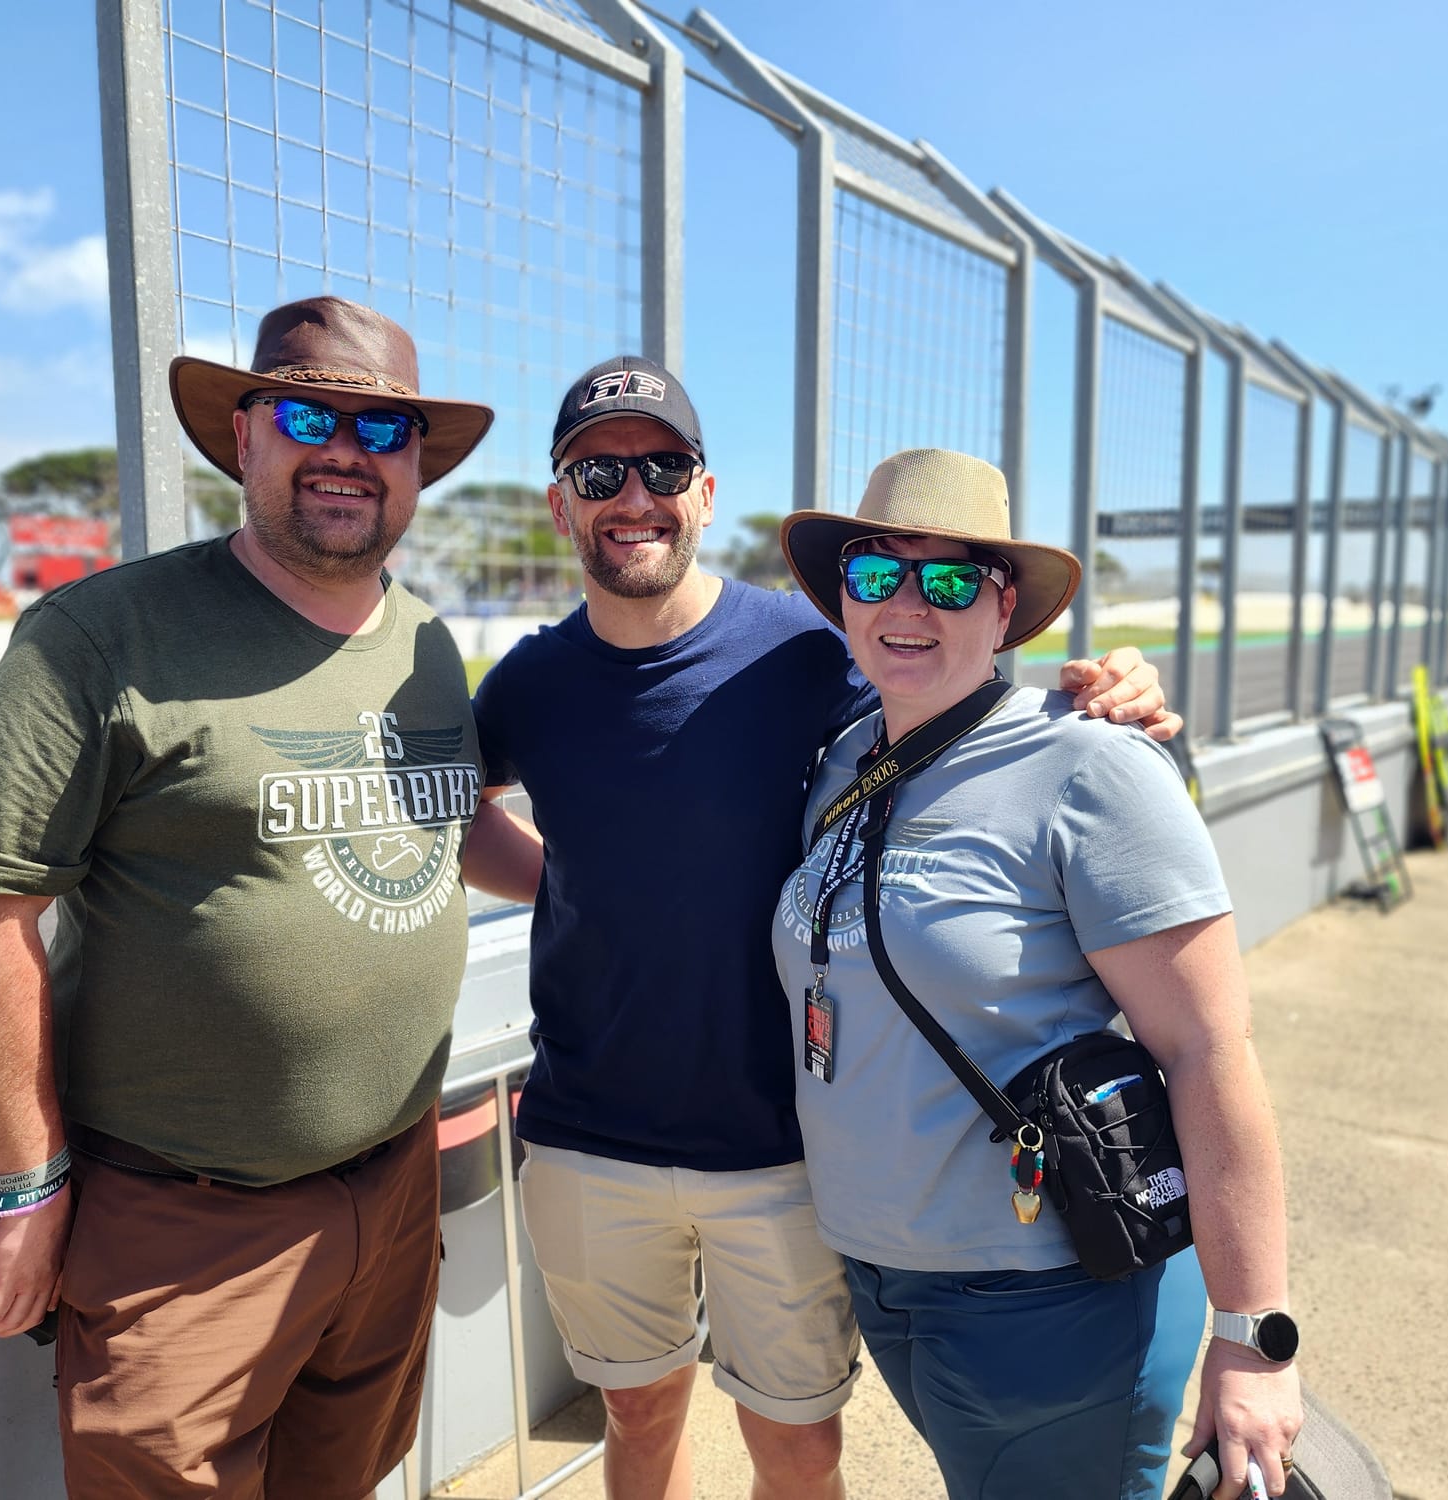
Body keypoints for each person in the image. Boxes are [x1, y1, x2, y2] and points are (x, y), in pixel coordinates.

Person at [467, 359, 1181, 1500]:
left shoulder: (804, 651)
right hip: (587, 1132)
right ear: (561, 503)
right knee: (636, 1414)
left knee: (797, 1447)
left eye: (664, 468)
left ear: (705, 494)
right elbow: (461, 815)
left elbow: (948, 694)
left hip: (786, 1146)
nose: (634, 495)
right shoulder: (529, 682)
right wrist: (579, 883)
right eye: (599, 473)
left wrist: (1102, 690)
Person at [0, 295, 521, 1498]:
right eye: (305, 417)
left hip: (392, 1187)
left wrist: (614, 892)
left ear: (416, 466)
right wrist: (26, 1183)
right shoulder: (102, 636)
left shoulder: (425, 644)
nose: (345, 451)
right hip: (185, 1224)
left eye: (382, 430)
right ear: (243, 437)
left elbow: (448, 827)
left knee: (348, 1478)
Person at [770, 448, 1302, 1500]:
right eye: (876, 573)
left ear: (1004, 605)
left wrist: (1253, 1338)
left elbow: (1208, 1048)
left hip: (1050, 1300)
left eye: (950, 578)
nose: (907, 604)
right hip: (887, 1279)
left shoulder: (1091, 764)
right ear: (844, 596)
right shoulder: (840, 760)